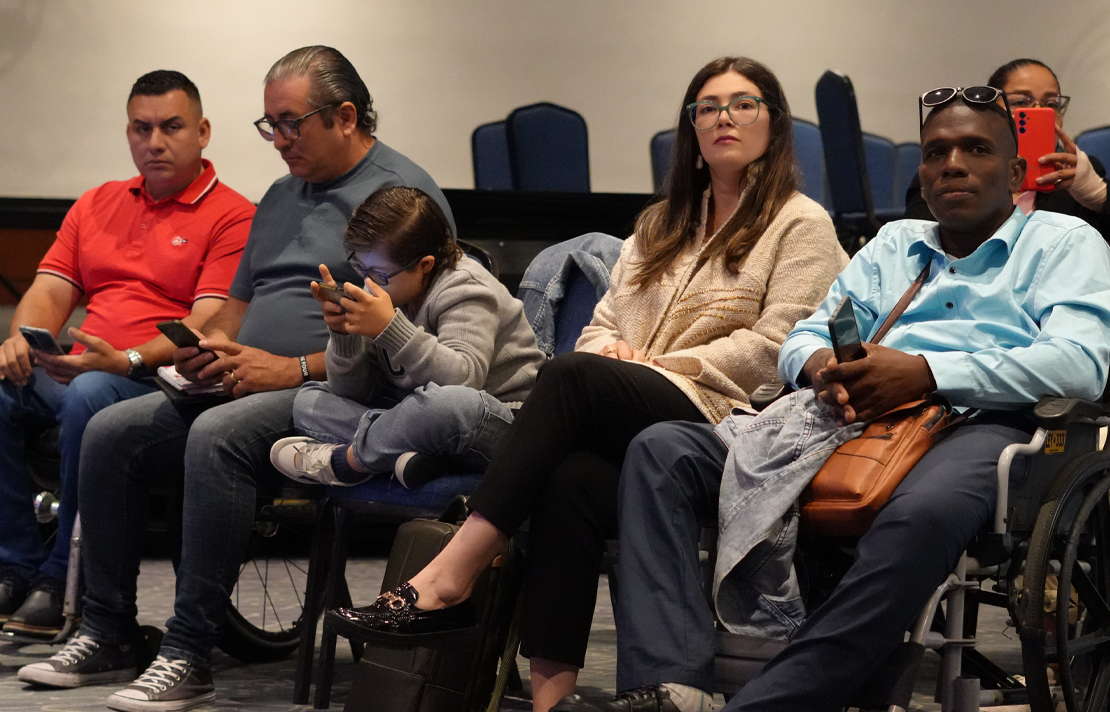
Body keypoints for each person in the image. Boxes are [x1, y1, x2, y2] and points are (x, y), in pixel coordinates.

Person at [558, 86, 1110, 712]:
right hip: (853, 415)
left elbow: (1080, 364)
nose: (952, 164)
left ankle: (774, 702)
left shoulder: (1063, 243)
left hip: (985, 421)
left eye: (976, 149)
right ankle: (671, 683)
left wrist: (926, 372)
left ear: (1013, 173)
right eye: (936, 152)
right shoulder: (895, 244)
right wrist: (822, 365)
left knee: (923, 512)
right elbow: (806, 335)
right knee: (663, 450)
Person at [329, 56, 846, 712]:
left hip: (734, 417)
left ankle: (453, 575)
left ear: (773, 124)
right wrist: (613, 352)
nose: (725, 117)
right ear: (691, 128)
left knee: (570, 380)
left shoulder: (801, 223)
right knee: (568, 478)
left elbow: (776, 348)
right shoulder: (661, 223)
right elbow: (600, 327)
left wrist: (655, 367)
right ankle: (554, 700)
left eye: (744, 104)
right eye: (708, 106)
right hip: (642, 406)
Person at [17, 46, 454, 712]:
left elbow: (409, 342)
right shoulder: (279, 197)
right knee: (109, 430)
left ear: (344, 116)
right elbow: (233, 310)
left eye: (290, 123)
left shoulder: (402, 199)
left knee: (215, 436)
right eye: (269, 124)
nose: (278, 139)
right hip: (248, 381)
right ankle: (107, 631)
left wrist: (290, 368)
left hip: (339, 396)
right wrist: (206, 350)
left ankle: (187, 653)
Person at [0, 70, 253, 639]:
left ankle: (63, 577)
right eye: (142, 128)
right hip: (83, 366)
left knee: (89, 394)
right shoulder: (97, 203)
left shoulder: (234, 215)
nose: (154, 142)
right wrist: (21, 339)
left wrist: (125, 360)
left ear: (203, 131)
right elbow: (48, 292)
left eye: (171, 127)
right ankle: (13, 563)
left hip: (156, 379)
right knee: (3, 382)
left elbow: (206, 322)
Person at [269, 185, 545, 489]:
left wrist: (390, 329)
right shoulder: (391, 288)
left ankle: (347, 463)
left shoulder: (466, 288)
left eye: (379, 274)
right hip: (417, 411)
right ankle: (408, 454)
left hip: (500, 419)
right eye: (360, 266)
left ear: (424, 265)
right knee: (309, 401)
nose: (368, 282)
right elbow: (354, 393)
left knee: (446, 406)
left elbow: (463, 382)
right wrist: (343, 336)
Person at [905, 58, 1110, 242]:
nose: (1038, 111)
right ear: (991, 110)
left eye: (1052, 104)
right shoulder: (947, 168)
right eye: (1020, 102)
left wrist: (1100, 198)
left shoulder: (1079, 174)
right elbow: (916, 244)